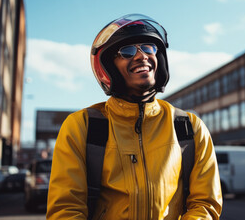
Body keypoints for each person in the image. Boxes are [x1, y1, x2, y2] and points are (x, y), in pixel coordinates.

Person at [46, 14, 222, 219]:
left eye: (149, 48)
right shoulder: (82, 126)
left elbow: (206, 204)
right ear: (108, 68)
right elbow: (65, 210)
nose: (142, 56)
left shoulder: (189, 128)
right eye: (127, 51)